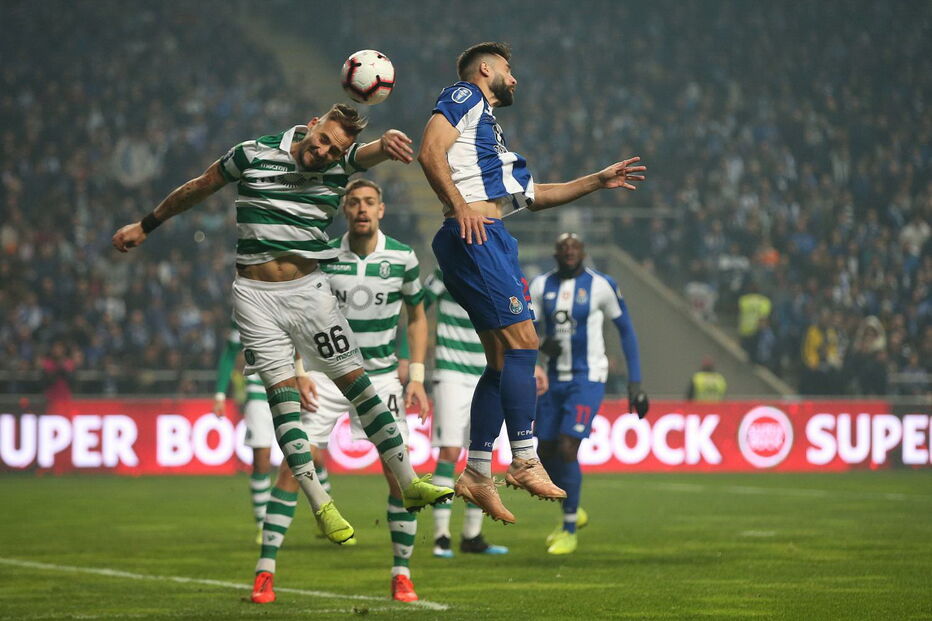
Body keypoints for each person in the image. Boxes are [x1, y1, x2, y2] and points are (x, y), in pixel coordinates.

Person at [111, 104, 454, 603]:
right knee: (282, 400)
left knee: (358, 382)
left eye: (335, 150)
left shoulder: (344, 166)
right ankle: (320, 506)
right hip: (253, 296)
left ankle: (409, 482)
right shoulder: (251, 155)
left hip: (310, 291)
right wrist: (147, 225)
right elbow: (200, 186)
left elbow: (372, 151)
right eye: (322, 142)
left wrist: (391, 142)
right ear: (312, 123)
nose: (325, 154)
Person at [418, 41, 647, 522]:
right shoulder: (465, 95)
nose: (514, 78)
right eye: (508, 69)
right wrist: (459, 207)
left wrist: (597, 180)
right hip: (474, 233)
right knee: (524, 345)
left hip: (489, 233)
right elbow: (428, 149)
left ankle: (478, 473)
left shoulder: (489, 138)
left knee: (502, 361)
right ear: (485, 70)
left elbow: (536, 195)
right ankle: (523, 459)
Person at [270, 178, 430, 603]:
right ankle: (265, 572)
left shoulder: (402, 257)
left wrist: (415, 375)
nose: (362, 209)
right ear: (345, 209)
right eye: (354, 202)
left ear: (382, 210)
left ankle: (401, 573)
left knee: (400, 476)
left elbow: (417, 316)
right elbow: (297, 315)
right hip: (325, 375)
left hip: (379, 377)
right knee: (294, 464)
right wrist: (299, 369)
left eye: (370, 202)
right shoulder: (321, 256)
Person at [530, 233, 649, 555]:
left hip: (588, 378)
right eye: (563, 248)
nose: (569, 252)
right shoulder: (541, 286)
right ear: (556, 253)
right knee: (545, 451)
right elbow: (528, 327)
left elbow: (627, 331)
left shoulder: (601, 285)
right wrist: (541, 343)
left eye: (575, 248)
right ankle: (574, 507)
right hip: (554, 380)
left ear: (583, 252)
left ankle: (569, 528)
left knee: (569, 446)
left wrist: (635, 383)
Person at [212, 320, 332, 543]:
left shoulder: (289, 304)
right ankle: (262, 525)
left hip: (292, 388)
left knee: (313, 456)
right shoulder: (243, 310)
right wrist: (220, 394)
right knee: (261, 461)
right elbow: (230, 353)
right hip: (259, 393)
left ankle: (325, 517)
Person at [423, 268, 509, 558]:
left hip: (488, 373)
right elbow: (417, 308)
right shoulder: (445, 272)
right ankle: (441, 536)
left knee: (482, 455)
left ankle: (472, 536)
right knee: (448, 452)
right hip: (450, 373)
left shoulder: (498, 276)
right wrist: (409, 358)